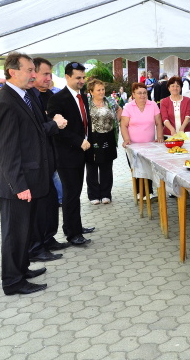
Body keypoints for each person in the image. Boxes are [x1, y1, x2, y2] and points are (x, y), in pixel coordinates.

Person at [0, 52, 66, 295]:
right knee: (14, 234)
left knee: (24, 231)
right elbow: (6, 149)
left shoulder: (23, 96)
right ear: (13, 72)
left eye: (34, 70)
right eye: (30, 70)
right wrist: (19, 185)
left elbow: (33, 133)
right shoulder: (5, 101)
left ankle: (22, 269)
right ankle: (13, 281)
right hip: (18, 184)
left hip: (31, 178)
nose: (34, 75)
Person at [47, 62, 95, 246]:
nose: (82, 81)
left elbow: (84, 122)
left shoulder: (82, 96)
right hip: (67, 155)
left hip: (81, 153)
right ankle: (72, 233)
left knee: (75, 192)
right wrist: (78, 141)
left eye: (83, 77)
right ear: (67, 77)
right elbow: (57, 129)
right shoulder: (57, 99)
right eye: (78, 78)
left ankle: (76, 226)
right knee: (71, 194)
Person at [28, 57, 70, 258]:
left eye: (50, 74)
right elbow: (33, 130)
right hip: (35, 162)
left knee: (51, 203)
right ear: (33, 73)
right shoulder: (29, 97)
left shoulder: (49, 96)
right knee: (41, 205)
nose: (49, 78)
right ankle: (37, 246)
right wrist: (54, 123)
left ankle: (48, 238)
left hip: (51, 158)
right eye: (45, 74)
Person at [86, 78, 122, 205]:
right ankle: (93, 195)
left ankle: (106, 194)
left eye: (103, 89)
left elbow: (119, 110)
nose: (102, 92)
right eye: (98, 90)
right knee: (92, 167)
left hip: (108, 136)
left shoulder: (110, 101)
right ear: (91, 92)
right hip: (92, 138)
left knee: (107, 167)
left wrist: (115, 122)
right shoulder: (86, 104)